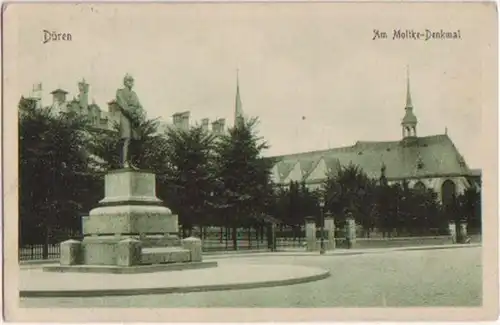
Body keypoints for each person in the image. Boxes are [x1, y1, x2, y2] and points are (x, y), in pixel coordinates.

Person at [115, 74, 145, 169]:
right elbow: (124, 106)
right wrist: (133, 114)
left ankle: (131, 162)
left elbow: (140, 107)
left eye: (132, 81)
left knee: (133, 140)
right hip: (126, 118)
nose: (131, 83)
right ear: (125, 82)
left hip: (134, 119)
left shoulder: (134, 94)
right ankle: (124, 162)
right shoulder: (120, 92)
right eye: (129, 81)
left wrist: (137, 115)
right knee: (126, 138)